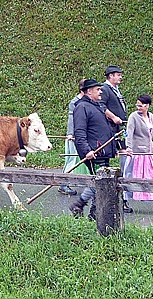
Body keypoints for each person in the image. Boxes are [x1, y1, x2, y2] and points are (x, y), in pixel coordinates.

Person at [69, 78, 123, 220]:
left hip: (103, 151)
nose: (100, 91)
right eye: (98, 89)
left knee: (101, 181)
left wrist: (115, 148)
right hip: (94, 152)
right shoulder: (81, 107)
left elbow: (105, 130)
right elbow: (79, 131)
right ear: (88, 91)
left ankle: (94, 213)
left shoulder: (97, 106)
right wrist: (86, 150)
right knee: (99, 182)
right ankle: (80, 204)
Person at [100, 64, 130, 210]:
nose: (120, 77)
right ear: (110, 76)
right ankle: (120, 198)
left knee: (125, 157)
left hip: (119, 127)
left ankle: (122, 197)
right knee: (121, 157)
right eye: (118, 74)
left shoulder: (115, 89)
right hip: (113, 129)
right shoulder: (105, 89)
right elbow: (101, 106)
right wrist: (114, 117)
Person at [58, 79, 90, 196]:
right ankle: (63, 183)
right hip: (75, 136)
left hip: (85, 135)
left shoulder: (88, 102)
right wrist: (70, 134)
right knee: (71, 159)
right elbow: (71, 119)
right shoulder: (75, 102)